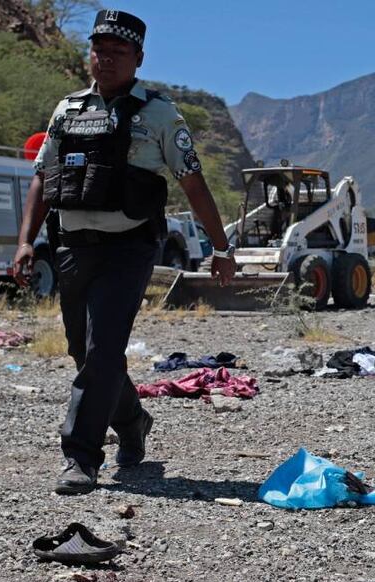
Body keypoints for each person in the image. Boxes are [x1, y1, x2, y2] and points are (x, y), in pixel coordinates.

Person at [13, 8, 236, 495]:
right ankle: (133, 422)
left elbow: (193, 182)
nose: (106, 59)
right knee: (83, 351)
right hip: (72, 246)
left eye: (118, 52)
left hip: (128, 247)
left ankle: (80, 458)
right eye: (99, 50)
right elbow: (42, 179)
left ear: (138, 57)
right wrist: (27, 240)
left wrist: (220, 247)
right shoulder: (67, 110)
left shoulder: (159, 113)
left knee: (103, 349)